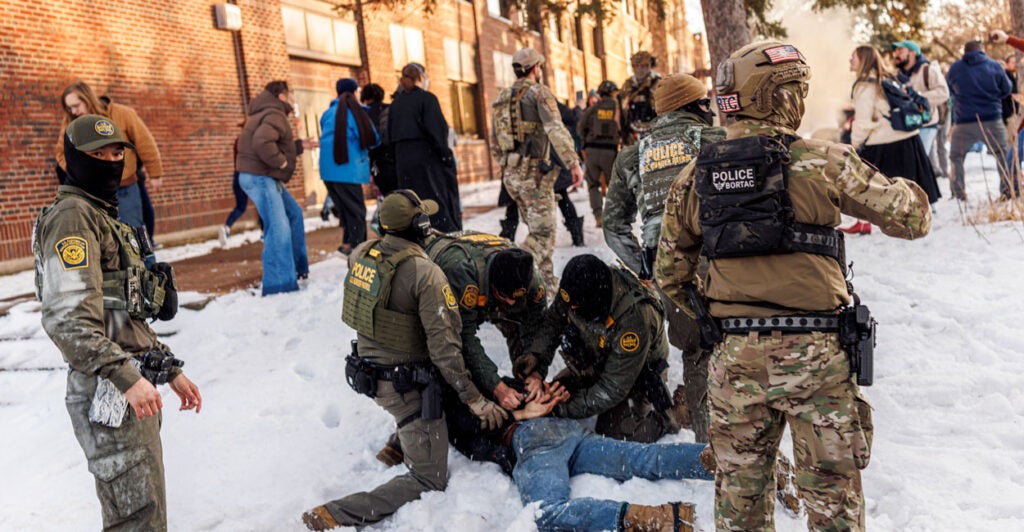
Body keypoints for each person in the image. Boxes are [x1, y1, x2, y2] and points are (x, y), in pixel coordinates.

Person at [657, 41, 932, 530]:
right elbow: (912, 218)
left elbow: (669, 274)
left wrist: (719, 312)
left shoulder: (694, 177)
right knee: (833, 504)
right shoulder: (822, 161)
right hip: (817, 359)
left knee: (740, 505)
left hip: (735, 359)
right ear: (779, 97)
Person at [34, 114, 202, 530]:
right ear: (76, 160)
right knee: (136, 520)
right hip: (105, 386)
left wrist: (166, 367)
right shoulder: (73, 218)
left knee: (144, 512)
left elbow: (120, 313)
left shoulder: (102, 216)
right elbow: (68, 319)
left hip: (129, 385)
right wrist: (124, 375)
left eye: (116, 153)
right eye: (98, 154)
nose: (110, 161)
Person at [302, 190, 507, 530]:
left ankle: (399, 441)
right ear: (421, 226)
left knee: (425, 390)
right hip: (405, 388)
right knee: (430, 477)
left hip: (369, 372)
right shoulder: (426, 274)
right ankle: (337, 513)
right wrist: (476, 400)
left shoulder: (361, 253)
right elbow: (445, 351)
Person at [603, 73, 726, 442]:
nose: (710, 110)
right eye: (705, 104)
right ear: (692, 107)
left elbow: (614, 225)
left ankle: (710, 449)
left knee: (697, 354)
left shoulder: (632, 157)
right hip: (722, 258)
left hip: (669, 267)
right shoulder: (716, 140)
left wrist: (644, 265)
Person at [373, 230, 548, 467]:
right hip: (437, 299)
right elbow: (461, 339)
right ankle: (406, 433)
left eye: (516, 299)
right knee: (436, 362)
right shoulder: (461, 274)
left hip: (488, 290)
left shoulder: (532, 282)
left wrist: (535, 370)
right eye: (504, 297)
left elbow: (537, 327)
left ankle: (520, 398)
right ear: (492, 285)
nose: (510, 304)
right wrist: (495, 387)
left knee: (525, 354)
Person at [514, 254, 685, 443]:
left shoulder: (634, 318)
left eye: (576, 306)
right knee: (555, 391)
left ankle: (673, 416)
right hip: (596, 359)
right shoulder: (576, 288)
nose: (570, 307)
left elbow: (612, 388)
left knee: (616, 433)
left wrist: (558, 410)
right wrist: (536, 358)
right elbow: (553, 321)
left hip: (634, 372)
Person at [491, 48, 584, 295]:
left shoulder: (501, 97)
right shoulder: (539, 92)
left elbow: (495, 142)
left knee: (537, 230)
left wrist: (509, 166)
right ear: (535, 68)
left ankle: (545, 289)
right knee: (543, 234)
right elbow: (555, 128)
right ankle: (506, 275)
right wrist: (573, 163)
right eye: (540, 67)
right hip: (534, 175)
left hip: (512, 175)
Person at [847, 45, 940, 232]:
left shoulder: (865, 85)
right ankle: (914, 220)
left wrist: (855, 145)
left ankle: (864, 223)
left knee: (867, 185)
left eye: (853, 57)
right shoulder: (888, 77)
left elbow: (863, 121)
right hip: (907, 137)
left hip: (884, 142)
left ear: (863, 60)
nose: (850, 61)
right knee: (909, 185)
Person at [236, 80, 317, 295]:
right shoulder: (274, 114)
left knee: (294, 215)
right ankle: (279, 283)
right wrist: (281, 162)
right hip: (260, 177)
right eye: (289, 94)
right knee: (278, 227)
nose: (292, 97)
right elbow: (262, 143)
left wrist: (299, 146)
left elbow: (273, 140)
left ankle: (297, 269)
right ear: (281, 95)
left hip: (260, 175)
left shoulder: (266, 112)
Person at [57, 81, 164, 231]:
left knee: (135, 236)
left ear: (87, 98)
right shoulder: (71, 123)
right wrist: (79, 173)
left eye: (76, 105)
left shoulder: (122, 114)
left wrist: (155, 174)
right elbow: (61, 152)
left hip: (124, 187)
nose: (73, 111)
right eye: (69, 108)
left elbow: (145, 143)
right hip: (91, 193)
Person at [388, 63, 462, 232]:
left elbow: (389, 136)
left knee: (412, 204)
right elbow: (436, 130)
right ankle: (443, 238)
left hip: (403, 162)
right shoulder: (427, 99)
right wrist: (446, 155)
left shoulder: (396, 104)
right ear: (420, 77)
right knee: (435, 204)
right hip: (426, 159)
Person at [946, 40, 1013, 201]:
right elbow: (1007, 89)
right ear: (982, 50)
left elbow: (950, 90)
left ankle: (958, 193)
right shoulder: (995, 66)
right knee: (1002, 154)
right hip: (992, 118)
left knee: (956, 157)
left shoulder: (955, 68)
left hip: (963, 121)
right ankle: (1007, 190)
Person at [319, 78, 379, 255]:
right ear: (353, 92)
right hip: (347, 169)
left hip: (328, 171)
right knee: (357, 211)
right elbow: (371, 138)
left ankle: (347, 244)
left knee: (346, 210)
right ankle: (358, 249)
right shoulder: (355, 112)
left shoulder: (327, 113)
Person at [892, 40, 951, 160]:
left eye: (901, 51)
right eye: (895, 51)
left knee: (918, 160)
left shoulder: (928, 70)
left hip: (926, 125)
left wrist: (919, 97)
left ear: (913, 53)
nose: (896, 54)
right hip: (904, 125)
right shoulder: (896, 75)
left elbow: (944, 93)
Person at [577, 80, 621, 227]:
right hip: (610, 151)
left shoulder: (593, 108)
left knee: (593, 184)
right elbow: (625, 127)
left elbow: (580, 127)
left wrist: (586, 141)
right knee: (614, 185)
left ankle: (598, 216)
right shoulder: (618, 108)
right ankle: (615, 216)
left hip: (592, 151)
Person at [219, 120, 259, 246]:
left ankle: (227, 227)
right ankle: (266, 232)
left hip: (237, 176)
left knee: (240, 207)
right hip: (249, 175)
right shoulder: (251, 142)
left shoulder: (238, 141)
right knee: (262, 203)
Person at [360, 82, 398, 197]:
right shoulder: (391, 109)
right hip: (396, 157)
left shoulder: (364, 114)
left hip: (377, 161)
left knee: (388, 196)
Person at [619, 51, 662, 144]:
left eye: (643, 66)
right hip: (633, 131)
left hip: (654, 130)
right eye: (637, 66)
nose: (640, 69)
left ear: (649, 66)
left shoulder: (657, 82)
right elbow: (622, 108)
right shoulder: (628, 84)